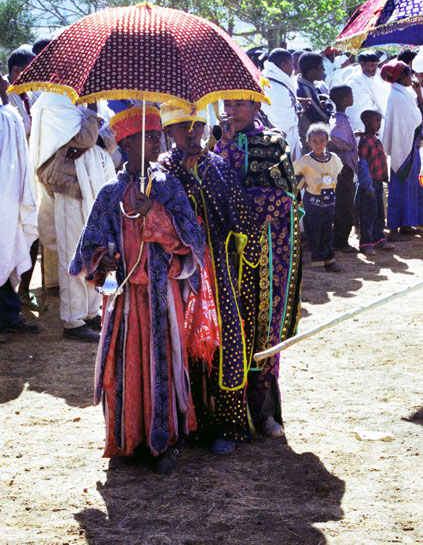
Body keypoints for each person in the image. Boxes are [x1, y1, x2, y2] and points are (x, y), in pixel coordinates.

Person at [70, 105, 206, 473]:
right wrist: (104, 261)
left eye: (157, 135)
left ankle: (164, 443)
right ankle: (127, 439)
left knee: (163, 364)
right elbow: (86, 252)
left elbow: (194, 240)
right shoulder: (110, 193)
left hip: (163, 298)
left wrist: (156, 215)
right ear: (126, 144)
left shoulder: (168, 187)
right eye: (147, 137)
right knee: (125, 368)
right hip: (125, 300)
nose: (156, 142)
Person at [160, 102, 262, 454]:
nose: (191, 134)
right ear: (169, 132)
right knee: (179, 344)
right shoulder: (160, 171)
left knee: (227, 340)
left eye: (197, 127)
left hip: (218, 271)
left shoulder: (217, 167)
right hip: (176, 273)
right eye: (182, 127)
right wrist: (185, 180)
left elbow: (239, 218)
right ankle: (187, 424)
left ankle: (229, 426)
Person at [215, 98, 302, 440]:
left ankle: (265, 413)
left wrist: (239, 201)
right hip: (224, 254)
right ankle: (223, 419)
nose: (231, 111)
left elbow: (285, 195)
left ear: (254, 107)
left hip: (267, 253)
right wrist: (223, 145)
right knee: (226, 330)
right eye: (227, 105)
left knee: (263, 328)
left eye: (238, 105)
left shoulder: (273, 142)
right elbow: (210, 191)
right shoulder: (213, 142)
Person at [30, 92, 116, 342]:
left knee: (93, 248)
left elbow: (108, 142)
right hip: (69, 187)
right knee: (73, 252)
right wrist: (91, 119)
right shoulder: (54, 101)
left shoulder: (96, 100)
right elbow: (87, 139)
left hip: (94, 182)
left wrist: (91, 136)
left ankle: (91, 312)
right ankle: (73, 319)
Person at [0, 72, 39, 338]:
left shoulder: (8, 115)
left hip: (7, 197)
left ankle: (8, 315)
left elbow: (24, 127)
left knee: (5, 248)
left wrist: (4, 95)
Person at [381, 60, 423, 240]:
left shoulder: (404, 94)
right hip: (403, 147)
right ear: (402, 76)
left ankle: (407, 223)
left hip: (410, 146)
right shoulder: (397, 97)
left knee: (411, 186)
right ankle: (394, 228)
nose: (412, 78)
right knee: (399, 187)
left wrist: (418, 93)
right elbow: (412, 121)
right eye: (409, 74)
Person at [294, 123, 343, 272]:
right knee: (314, 231)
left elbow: (338, 173)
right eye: (314, 141)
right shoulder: (305, 161)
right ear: (308, 142)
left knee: (327, 231)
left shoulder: (333, 158)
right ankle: (317, 260)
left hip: (329, 203)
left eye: (321, 141)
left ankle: (329, 259)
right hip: (313, 203)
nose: (318, 145)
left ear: (327, 141)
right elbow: (294, 175)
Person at [356, 110, 393, 255]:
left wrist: (385, 178)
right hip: (369, 184)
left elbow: (380, 161)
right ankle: (366, 243)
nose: (379, 124)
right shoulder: (365, 141)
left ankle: (379, 238)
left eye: (379, 121)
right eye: (376, 121)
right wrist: (367, 185)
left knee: (379, 213)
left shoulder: (375, 139)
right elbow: (363, 165)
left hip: (377, 182)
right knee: (368, 214)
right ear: (366, 122)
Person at [328, 85, 358, 253]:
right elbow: (334, 136)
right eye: (350, 95)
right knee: (344, 205)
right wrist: (347, 145)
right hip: (344, 168)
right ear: (344, 99)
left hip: (343, 168)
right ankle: (341, 242)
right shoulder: (339, 119)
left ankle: (340, 240)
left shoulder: (340, 117)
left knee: (344, 204)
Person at [261, 49, 302, 161]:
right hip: (279, 142)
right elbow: (285, 123)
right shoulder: (277, 89)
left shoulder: (268, 79)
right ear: (283, 65)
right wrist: (296, 116)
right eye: (291, 64)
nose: (293, 69)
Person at [296, 52, 332, 153]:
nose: (324, 70)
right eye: (321, 68)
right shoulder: (305, 90)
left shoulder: (312, 85)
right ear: (312, 71)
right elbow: (321, 116)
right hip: (311, 141)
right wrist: (329, 111)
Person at [346, 52, 389, 134]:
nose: (375, 68)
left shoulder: (374, 79)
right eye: (372, 65)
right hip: (358, 124)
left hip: (373, 124)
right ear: (362, 64)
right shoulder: (353, 80)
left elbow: (383, 100)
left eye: (376, 65)